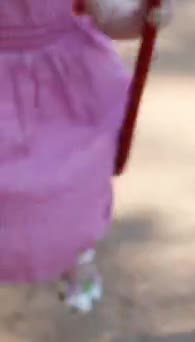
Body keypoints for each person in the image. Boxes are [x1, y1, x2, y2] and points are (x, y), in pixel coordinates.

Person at [0, 0, 173, 313]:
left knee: (73, 178)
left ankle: (75, 257)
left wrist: (141, 19)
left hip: (61, 89)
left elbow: (109, 16)